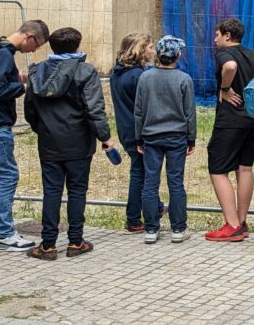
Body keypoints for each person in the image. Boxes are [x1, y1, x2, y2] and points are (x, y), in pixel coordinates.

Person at [24, 27, 115, 260]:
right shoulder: (85, 71)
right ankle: (75, 242)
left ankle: (47, 245)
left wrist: (43, 129)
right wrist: (104, 137)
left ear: (52, 46)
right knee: (77, 191)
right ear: (77, 46)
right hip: (79, 141)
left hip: (49, 142)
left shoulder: (37, 72)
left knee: (51, 192)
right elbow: (94, 109)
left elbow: (30, 110)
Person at [0, 19, 49, 252]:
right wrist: (20, 87)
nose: (34, 51)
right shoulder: (4, 56)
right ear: (29, 37)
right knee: (7, 175)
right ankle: (5, 233)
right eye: (37, 45)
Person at [205, 18, 254, 242]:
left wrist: (224, 88)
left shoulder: (224, 54)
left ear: (228, 36)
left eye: (217, 35)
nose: (215, 39)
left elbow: (230, 67)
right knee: (245, 168)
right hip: (253, 120)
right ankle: (241, 221)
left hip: (230, 120)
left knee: (217, 168)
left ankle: (231, 224)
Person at [134, 35, 197, 245]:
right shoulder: (184, 79)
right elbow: (190, 113)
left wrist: (138, 136)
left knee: (150, 183)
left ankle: (151, 229)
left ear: (158, 55)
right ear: (178, 56)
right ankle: (178, 228)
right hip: (177, 136)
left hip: (151, 136)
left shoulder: (145, 77)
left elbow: (139, 111)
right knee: (175, 182)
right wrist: (191, 138)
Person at [109, 32, 162, 233]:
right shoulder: (139, 76)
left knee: (140, 171)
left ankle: (154, 208)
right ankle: (134, 218)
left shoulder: (118, 73)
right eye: (150, 47)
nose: (153, 51)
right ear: (140, 50)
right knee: (140, 174)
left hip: (126, 129)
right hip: (140, 131)